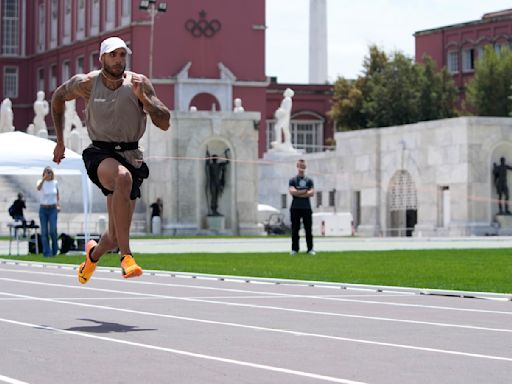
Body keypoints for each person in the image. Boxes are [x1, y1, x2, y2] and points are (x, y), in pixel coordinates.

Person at [50, 36, 171, 283]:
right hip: (100, 153)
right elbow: (58, 98)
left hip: (131, 154)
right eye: (113, 55)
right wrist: (60, 141)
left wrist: (144, 100)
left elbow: (165, 121)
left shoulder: (139, 83)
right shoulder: (87, 83)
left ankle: (92, 257)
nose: (118, 60)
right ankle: (127, 257)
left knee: (114, 235)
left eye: (122, 55)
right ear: (102, 58)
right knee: (122, 178)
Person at [288, 159, 315, 255]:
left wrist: (298, 193)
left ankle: (310, 249)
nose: (301, 168)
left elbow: (311, 193)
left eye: (303, 166)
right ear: (297, 166)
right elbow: (292, 191)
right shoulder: (292, 180)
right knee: (295, 229)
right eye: (299, 166)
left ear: (305, 167)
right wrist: (304, 192)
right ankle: (294, 249)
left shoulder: (309, 180)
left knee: (308, 229)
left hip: (306, 208)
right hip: (295, 208)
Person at [36, 166, 60, 257]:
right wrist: (43, 179)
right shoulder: (40, 182)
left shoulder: (55, 182)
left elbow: (57, 194)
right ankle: (47, 252)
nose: (48, 174)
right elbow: (38, 188)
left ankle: (55, 251)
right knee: (44, 231)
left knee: (53, 230)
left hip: (53, 209)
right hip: (43, 209)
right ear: (43, 173)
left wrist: (58, 205)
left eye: (49, 172)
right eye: (46, 172)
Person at [205, 147, 230, 216]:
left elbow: (227, 162)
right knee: (213, 197)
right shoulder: (211, 165)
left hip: (217, 183)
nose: (216, 159)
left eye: (216, 158)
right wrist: (208, 155)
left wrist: (225, 153)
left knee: (216, 197)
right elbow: (207, 163)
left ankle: (215, 210)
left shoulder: (219, 165)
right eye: (215, 158)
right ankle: (213, 210)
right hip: (213, 183)